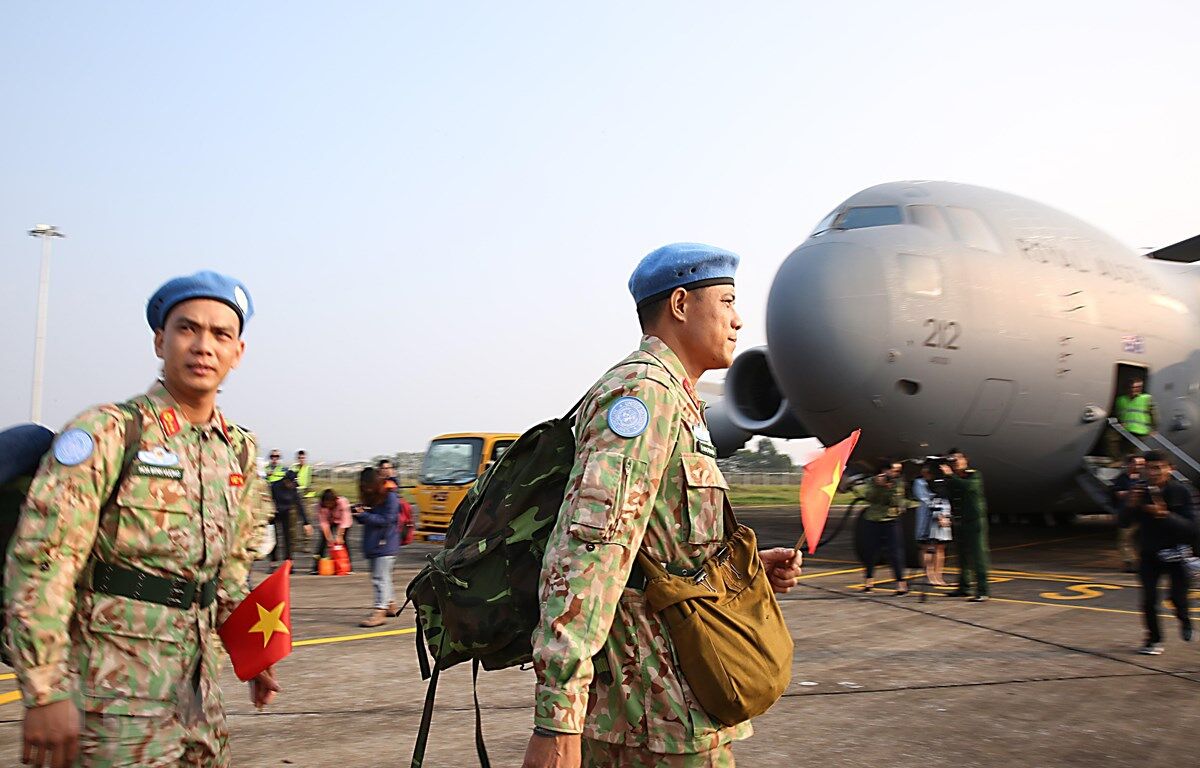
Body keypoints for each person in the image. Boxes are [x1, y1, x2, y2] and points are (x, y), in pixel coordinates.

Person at [523, 243, 804, 768]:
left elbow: (657, 543)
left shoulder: (678, 399)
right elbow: (587, 553)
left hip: (675, 701)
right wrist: (558, 717)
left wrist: (736, 572)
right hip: (649, 717)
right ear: (680, 304)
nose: (739, 320)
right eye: (727, 302)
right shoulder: (642, 395)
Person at [3, 271, 279, 768]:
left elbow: (229, 574)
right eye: (187, 328)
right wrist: (45, 691)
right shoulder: (109, 432)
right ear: (159, 340)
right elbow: (44, 561)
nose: (204, 346)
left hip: (199, 694)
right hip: (110, 696)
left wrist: (251, 650)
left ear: (238, 352)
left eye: (221, 334)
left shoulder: (238, 450)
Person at [1118, 450, 1196, 655]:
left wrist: (1165, 515)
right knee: (1149, 599)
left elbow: (1192, 528)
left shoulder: (1181, 491)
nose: (1152, 473)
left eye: (1157, 468)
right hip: (1149, 553)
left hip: (1176, 553)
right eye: (1148, 469)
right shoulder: (1139, 491)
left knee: (1178, 598)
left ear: (1170, 469)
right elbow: (1123, 522)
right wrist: (1130, 506)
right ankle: (1153, 639)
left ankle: (1185, 619)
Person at [353, 467, 400, 628]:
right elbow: (372, 518)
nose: (366, 489)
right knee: (383, 576)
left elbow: (387, 520)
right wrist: (359, 514)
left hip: (386, 543)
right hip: (374, 543)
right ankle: (390, 604)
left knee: (380, 578)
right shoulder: (373, 496)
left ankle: (380, 610)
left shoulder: (390, 496)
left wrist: (364, 515)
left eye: (368, 485)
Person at [941, 451, 991, 602]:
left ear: (966, 461)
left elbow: (968, 487)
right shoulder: (953, 478)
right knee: (962, 556)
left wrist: (951, 475)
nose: (956, 462)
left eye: (958, 459)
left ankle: (983, 590)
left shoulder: (974, 475)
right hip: (960, 521)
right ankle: (964, 587)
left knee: (978, 556)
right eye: (953, 460)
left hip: (975, 521)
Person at [860, 460, 910, 595]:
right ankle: (869, 580)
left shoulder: (897, 483)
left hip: (891, 519)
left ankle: (901, 583)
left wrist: (888, 488)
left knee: (895, 552)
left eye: (898, 471)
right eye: (893, 470)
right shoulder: (872, 481)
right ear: (885, 470)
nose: (895, 473)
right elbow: (869, 497)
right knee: (870, 551)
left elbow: (895, 501)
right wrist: (878, 486)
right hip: (873, 519)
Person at [913, 463, 950, 586]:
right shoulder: (920, 482)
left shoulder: (940, 481)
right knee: (926, 547)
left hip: (941, 515)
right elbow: (925, 499)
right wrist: (938, 511)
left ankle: (939, 575)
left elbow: (946, 497)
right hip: (926, 516)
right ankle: (929, 575)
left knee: (940, 546)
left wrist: (945, 515)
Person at [1111, 454, 1146, 573]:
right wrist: (1133, 492)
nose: (1140, 467)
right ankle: (1129, 562)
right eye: (1137, 464)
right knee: (1125, 539)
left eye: (1142, 464)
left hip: (1141, 514)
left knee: (1141, 539)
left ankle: (1141, 561)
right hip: (1127, 514)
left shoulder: (1144, 478)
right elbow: (1118, 494)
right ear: (1130, 464)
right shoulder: (1122, 478)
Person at [1109, 378, 1157, 462]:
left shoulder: (1146, 398)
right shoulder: (1121, 400)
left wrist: (1154, 428)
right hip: (1125, 430)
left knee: (1132, 452)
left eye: (1137, 387)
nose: (1134, 390)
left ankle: (1127, 464)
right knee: (1112, 440)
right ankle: (1118, 461)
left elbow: (1153, 414)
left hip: (1140, 431)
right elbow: (1117, 413)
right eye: (1132, 387)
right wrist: (1120, 422)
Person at [311, 488, 353, 574]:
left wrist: (339, 536)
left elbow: (345, 521)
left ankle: (348, 567)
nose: (328, 506)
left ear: (334, 500)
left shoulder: (342, 502)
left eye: (330, 503)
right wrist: (329, 539)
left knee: (343, 542)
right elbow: (324, 523)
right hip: (329, 521)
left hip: (342, 522)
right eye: (326, 504)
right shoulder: (320, 505)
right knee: (323, 541)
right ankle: (317, 567)